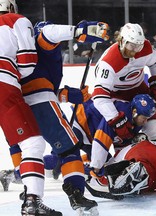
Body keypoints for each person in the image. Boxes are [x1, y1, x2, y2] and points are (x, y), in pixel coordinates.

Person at [7, 19, 109, 214]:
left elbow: (42, 85)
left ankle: (30, 194)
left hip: (17, 104)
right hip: (40, 103)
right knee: (69, 148)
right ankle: (76, 193)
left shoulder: (16, 50)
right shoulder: (39, 39)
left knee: (31, 149)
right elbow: (48, 32)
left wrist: (68, 95)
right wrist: (80, 30)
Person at [0, 1, 62, 215]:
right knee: (33, 144)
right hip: (4, 85)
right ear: (10, 7)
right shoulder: (16, 20)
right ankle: (32, 201)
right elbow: (27, 64)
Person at [91, 22, 156, 171]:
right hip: (116, 96)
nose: (135, 51)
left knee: (154, 127)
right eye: (132, 46)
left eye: (138, 46)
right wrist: (115, 119)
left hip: (139, 90)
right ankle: (97, 167)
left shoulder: (144, 48)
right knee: (117, 133)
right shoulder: (108, 63)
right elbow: (99, 97)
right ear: (122, 41)